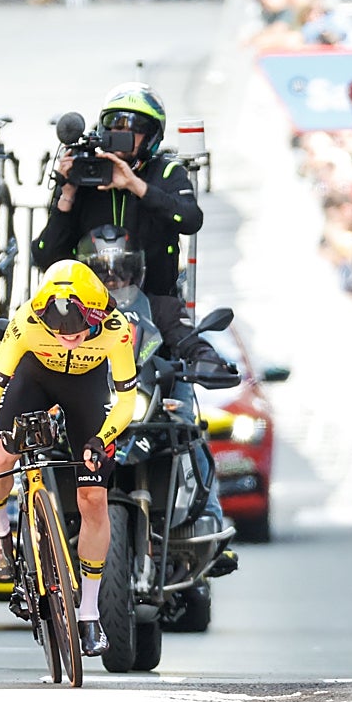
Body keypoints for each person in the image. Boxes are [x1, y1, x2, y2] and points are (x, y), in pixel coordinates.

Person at [0, 259, 138, 657]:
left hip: (87, 391)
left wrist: (101, 439)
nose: (68, 342)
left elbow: (127, 400)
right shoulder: (26, 321)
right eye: (59, 334)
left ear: (96, 317)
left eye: (77, 335)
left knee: (93, 498)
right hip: (34, 381)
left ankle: (90, 613)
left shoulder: (117, 328)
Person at [76, 224, 239, 575]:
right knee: (45, 444)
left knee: (189, 432)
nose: (112, 278)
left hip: (150, 397)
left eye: (121, 268)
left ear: (137, 269)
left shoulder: (161, 307)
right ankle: (32, 530)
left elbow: (187, 337)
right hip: (93, 403)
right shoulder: (74, 311)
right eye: (102, 271)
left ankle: (208, 525)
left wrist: (206, 359)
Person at [33, 82, 203, 298]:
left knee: (180, 321)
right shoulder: (83, 174)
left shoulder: (167, 173)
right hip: (89, 305)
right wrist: (66, 197)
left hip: (154, 301)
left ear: (151, 135)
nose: (123, 134)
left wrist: (136, 185)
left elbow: (191, 220)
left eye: (135, 127)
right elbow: (45, 257)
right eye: (115, 124)